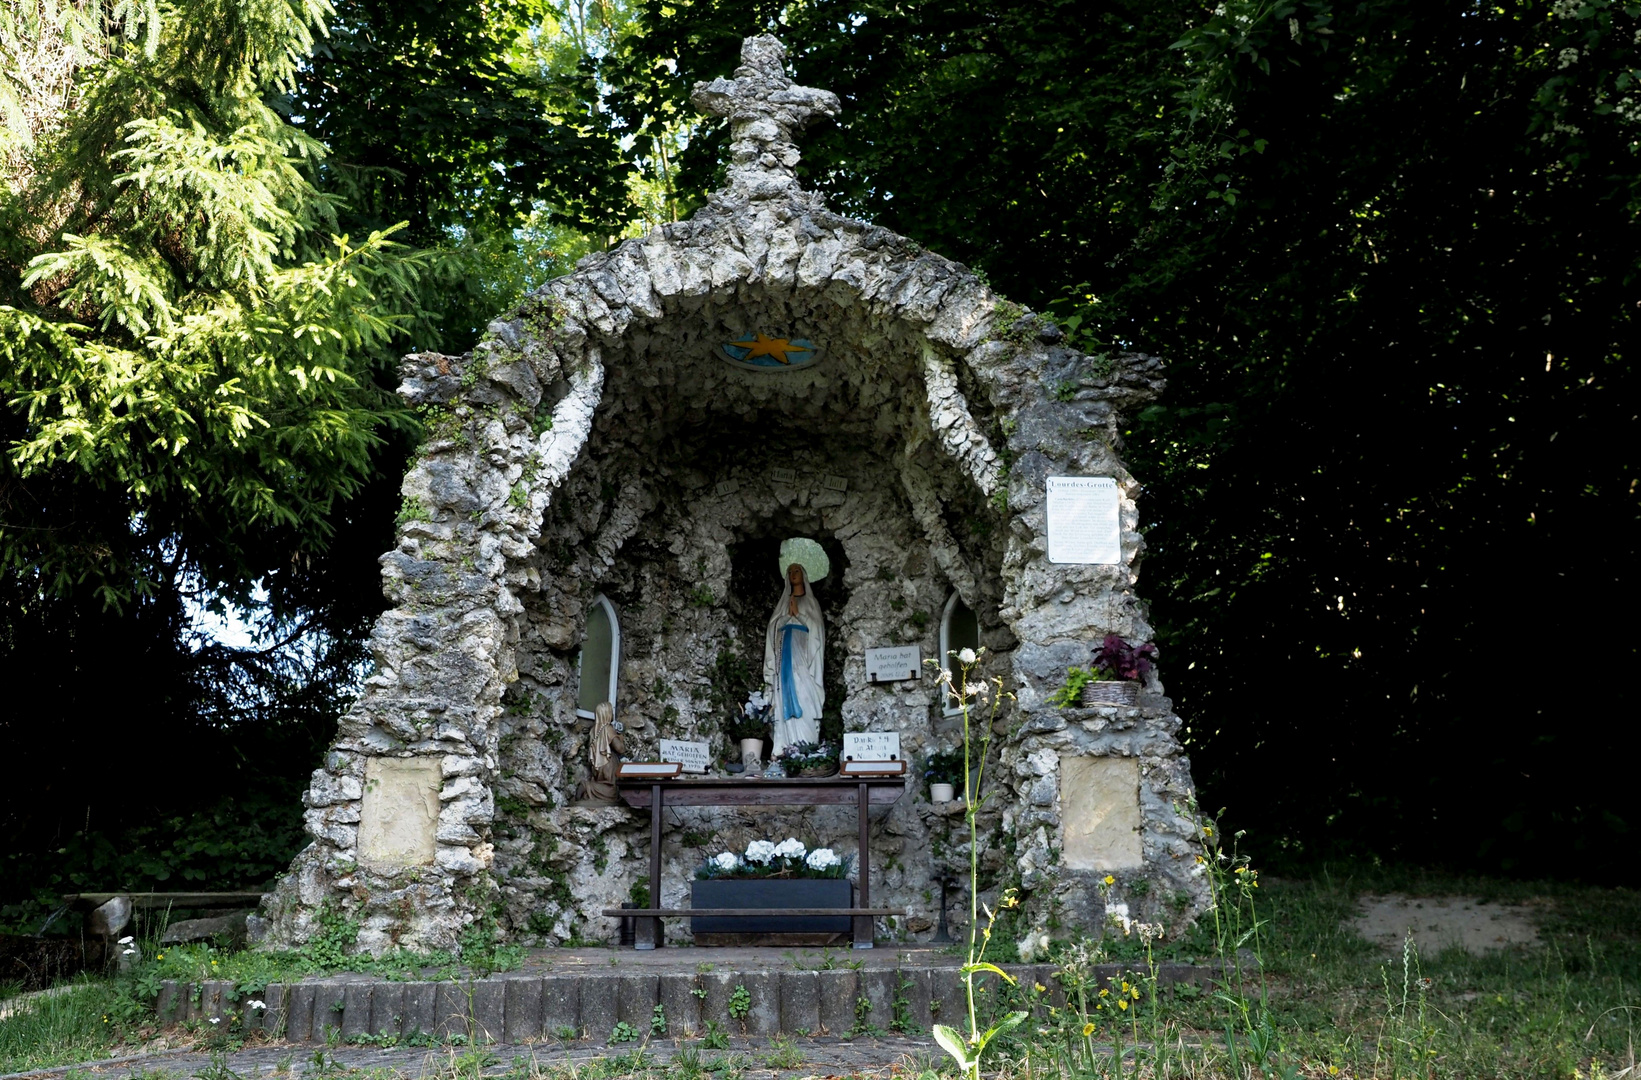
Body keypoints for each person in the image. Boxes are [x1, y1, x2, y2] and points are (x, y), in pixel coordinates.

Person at [763, 538, 828, 757]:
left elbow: (817, 631)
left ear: (804, 575)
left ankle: (807, 746)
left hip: (803, 662)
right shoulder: (783, 603)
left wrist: (798, 615)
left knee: (805, 697)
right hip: (785, 663)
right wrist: (785, 617)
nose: (793, 574)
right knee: (783, 701)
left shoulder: (811, 603)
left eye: (797, 570)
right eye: (790, 571)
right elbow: (772, 630)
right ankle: (785, 747)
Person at [575, 701, 626, 804]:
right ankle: (587, 786)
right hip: (608, 763)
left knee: (602, 783)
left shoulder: (593, 730)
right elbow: (620, 748)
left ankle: (589, 790)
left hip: (597, 765)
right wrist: (620, 738)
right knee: (612, 789)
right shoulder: (608, 728)